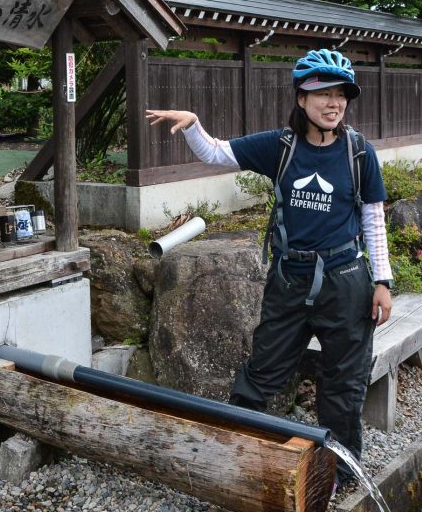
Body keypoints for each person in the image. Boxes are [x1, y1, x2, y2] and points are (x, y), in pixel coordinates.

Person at [146, 48, 393, 486]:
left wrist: (382, 280)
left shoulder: (359, 153)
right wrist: (193, 126)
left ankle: (339, 471)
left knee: (343, 382)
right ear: (302, 99)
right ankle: (236, 452)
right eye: (323, 94)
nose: (333, 103)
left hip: (346, 281)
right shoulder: (280, 146)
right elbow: (218, 154)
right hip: (289, 279)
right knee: (262, 373)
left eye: (341, 95)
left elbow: (373, 217)